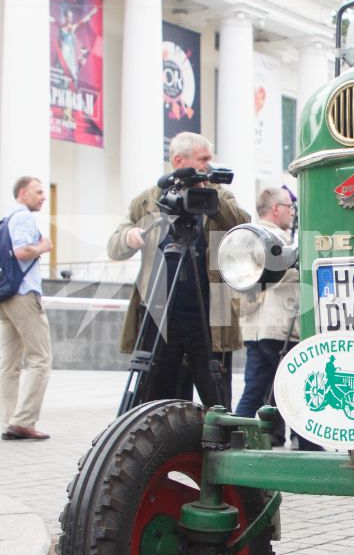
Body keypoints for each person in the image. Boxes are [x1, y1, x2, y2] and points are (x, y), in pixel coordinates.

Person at [106, 133, 248, 406]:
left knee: (216, 402)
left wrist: (212, 199)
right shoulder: (148, 200)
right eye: (203, 159)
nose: (209, 164)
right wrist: (129, 236)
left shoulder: (218, 194)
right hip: (159, 316)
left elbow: (242, 223)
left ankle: (216, 446)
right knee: (154, 401)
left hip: (209, 316)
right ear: (178, 160)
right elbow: (114, 246)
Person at [233, 186, 301, 418]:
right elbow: (280, 276)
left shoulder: (247, 239)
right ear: (275, 209)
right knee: (294, 386)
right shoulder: (278, 241)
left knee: (255, 389)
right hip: (278, 326)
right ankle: (306, 442)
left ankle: (240, 434)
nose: (292, 213)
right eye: (289, 207)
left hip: (255, 328)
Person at [0, 176, 53, 440]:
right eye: (39, 192)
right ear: (23, 193)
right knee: (41, 358)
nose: (43, 196)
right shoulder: (23, 217)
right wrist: (44, 245)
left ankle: (9, 420)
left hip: (5, 295)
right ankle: (23, 421)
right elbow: (21, 251)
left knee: (9, 363)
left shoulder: (6, 217)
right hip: (23, 294)